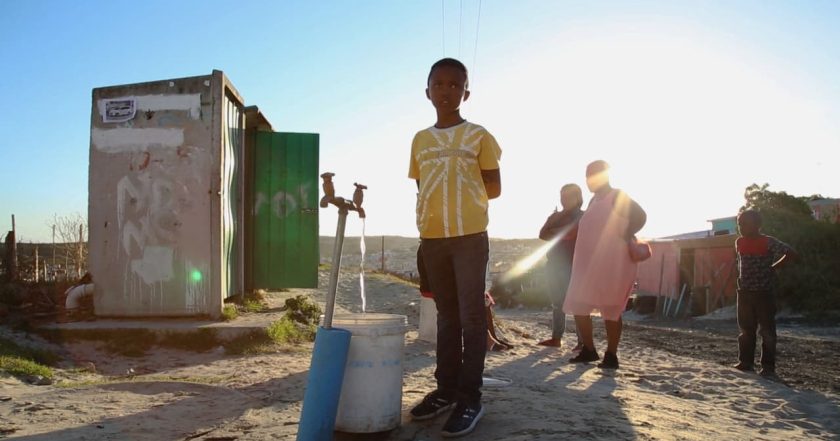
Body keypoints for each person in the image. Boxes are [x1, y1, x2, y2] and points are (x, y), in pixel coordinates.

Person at [408, 57, 502, 438]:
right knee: (446, 317)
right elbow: (420, 185)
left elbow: (494, 187)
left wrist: (462, 198)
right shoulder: (420, 140)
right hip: (433, 238)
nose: (445, 91)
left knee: (471, 317)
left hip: (469, 237)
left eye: (454, 85)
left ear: (466, 92)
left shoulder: (478, 135)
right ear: (427, 90)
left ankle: (469, 397)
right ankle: (445, 389)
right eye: (439, 84)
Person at [563, 160, 646, 369]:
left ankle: (611, 354)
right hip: (588, 264)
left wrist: (625, 233)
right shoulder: (593, 201)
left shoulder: (617, 196)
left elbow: (641, 216)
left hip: (612, 262)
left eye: (592, 175)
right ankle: (589, 350)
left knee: (610, 308)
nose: (588, 180)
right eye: (587, 175)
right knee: (579, 304)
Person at [732, 209, 797, 377]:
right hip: (744, 292)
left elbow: (791, 253)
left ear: (757, 225)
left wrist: (774, 267)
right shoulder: (739, 242)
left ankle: (768, 367)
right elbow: (740, 265)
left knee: (767, 331)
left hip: (764, 293)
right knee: (746, 330)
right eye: (740, 224)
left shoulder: (768, 241)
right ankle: (745, 362)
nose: (741, 227)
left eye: (745, 224)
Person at [537, 184, 584, 349]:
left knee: (578, 304)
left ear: (577, 197)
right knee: (557, 303)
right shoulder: (555, 216)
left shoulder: (582, 216)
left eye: (568, 196)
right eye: (562, 195)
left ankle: (582, 342)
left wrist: (555, 231)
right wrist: (562, 231)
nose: (563, 199)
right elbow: (542, 233)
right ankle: (556, 338)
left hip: (573, 264)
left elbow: (572, 233)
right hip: (553, 264)